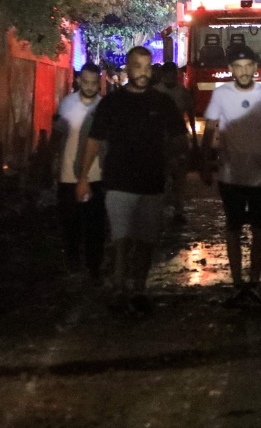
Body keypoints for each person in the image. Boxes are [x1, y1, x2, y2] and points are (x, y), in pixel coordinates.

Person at [76, 47, 186, 314]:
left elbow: (179, 137)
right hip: (119, 182)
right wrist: (83, 178)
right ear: (128, 68)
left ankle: (138, 288)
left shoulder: (162, 102)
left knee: (146, 241)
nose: (143, 72)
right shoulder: (113, 103)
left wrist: (172, 165)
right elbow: (94, 139)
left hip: (152, 183)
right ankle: (119, 289)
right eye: (138, 66)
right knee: (121, 240)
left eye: (148, 67)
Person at [201, 45, 261, 308]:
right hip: (231, 176)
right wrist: (205, 163)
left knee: (259, 230)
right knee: (233, 228)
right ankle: (238, 284)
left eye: (247, 66)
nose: (243, 71)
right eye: (237, 66)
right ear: (230, 70)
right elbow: (209, 129)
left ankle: (254, 283)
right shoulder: (221, 94)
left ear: (255, 68)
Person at [53, 63, 105, 283]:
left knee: (95, 227)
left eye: (94, 82)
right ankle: (74, 265)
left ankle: (94, 270)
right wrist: (53, 166)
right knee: (70, 225)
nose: (90, 86)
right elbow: (57, 137)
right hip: (68, 176)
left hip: (96, 176)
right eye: (86, 82)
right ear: (78, 81)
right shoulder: (66, 105)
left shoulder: (104, 108)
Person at [155, 62, 197, 223]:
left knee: (180, 177)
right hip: (161, 140)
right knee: (162, 175)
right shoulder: (156, 91)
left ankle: (178, 210)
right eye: (168, 75)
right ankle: (160, 209)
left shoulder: (183, 93)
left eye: (173, 74)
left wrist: (193, 137)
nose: (170, 77)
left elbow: (191, 114)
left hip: (178, 139)